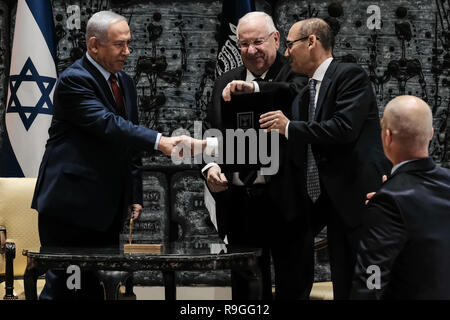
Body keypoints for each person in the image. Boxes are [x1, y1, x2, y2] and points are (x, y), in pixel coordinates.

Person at [32, 11, 204, 300]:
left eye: (129, 43)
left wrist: (133, 194)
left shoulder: (124, 82)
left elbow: (128, 141)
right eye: (119, 45)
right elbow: (109, 125)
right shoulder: (74, 80)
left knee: (93, 287)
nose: (128, 52)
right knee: (67, 286)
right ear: (94, 45)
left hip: (104, 208)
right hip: (70, 207)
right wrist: (161, 142)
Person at [257, 18, 391, 299]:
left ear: (311, 42)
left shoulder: (350, 76)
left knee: (364, 284)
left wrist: (289, 127)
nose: (286, 53)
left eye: (290, 44)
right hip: (325, 202)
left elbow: (343, 129)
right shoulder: (305, 94)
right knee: (341, 279)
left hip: (358, 198)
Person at [203, 11, 307, 299]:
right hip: (240, 204)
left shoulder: (297, 73)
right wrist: (210, 165)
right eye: (244, 44)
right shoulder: (225, 79)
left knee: (292, 286)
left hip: (287, 204)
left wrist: (256, 88)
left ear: (276, 39)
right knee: (246, 291)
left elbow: (295, 93)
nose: (251, 51)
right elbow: (212, 129)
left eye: (258, 42)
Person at [351, 96, 450, 300]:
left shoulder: (388, 200)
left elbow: (372, 277)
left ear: (387, 136)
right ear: (430, 134)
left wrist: (385, 204)